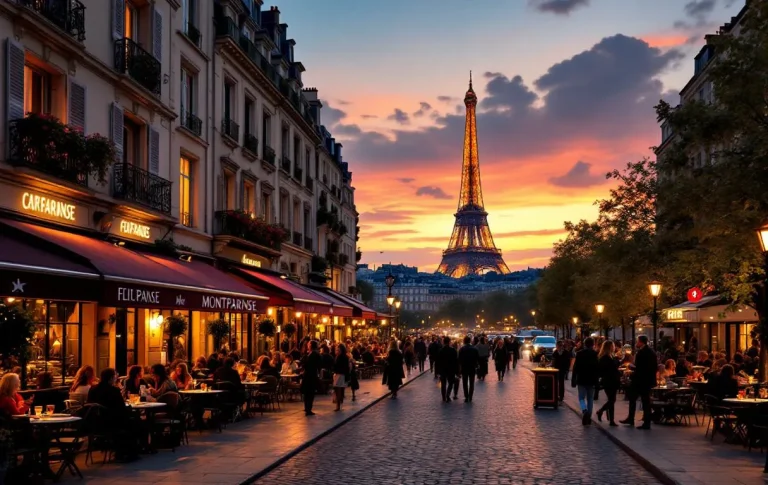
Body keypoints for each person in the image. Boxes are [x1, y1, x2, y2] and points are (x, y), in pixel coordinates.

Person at [87, 368, 139, 462]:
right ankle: (129, 452)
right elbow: (121, 408)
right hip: (112, 423)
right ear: (111, 378)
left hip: (95, 423)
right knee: (134, 423)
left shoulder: (93, 389)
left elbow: (89, 404)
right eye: (115, 377)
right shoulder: (113, 390)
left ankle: (118, 450)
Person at [621, 335, 657, 430]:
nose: (636, 343)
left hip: (640, 381)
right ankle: (640, 420)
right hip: (648, 380)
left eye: (637, 341)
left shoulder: (642, 352)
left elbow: (640, 368)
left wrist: (632, 368)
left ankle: (639, 421)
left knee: (636, 399)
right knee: (645, 401)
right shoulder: (651, 352)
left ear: (641, 342)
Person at [572, 337, 599, 425]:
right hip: (591, 380)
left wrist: (573, 379)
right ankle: (589, 415)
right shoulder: (596, 354)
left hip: (582, 379)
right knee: (590, 398)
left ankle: (584, 410)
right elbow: (597, 368)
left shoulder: (579, 354)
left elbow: (575, 368)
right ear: (593, 344)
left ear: (585, 344)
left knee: (581, 398)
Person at [595, 340, 620, 426]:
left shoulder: (608, 356)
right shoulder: (605, 357)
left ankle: (611, 420)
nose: (614, 347)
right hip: (609, 381)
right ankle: (600, 411)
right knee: (612, 400)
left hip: (611, 380)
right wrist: (618, 361)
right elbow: (610, 368)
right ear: (609, 347)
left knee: (611, 400)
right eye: (612, 346)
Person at [301, 340, 322, 416]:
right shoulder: (310, 353)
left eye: (309, 344)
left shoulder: (314, 354)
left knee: (310, 393)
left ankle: (308, 408)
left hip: (311, 375)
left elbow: (311, 364)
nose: (307, 345)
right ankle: (307, 407)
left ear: (311, 346)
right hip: (309, 375)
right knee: (308, 393)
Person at [436, 336, 459, 402]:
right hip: (451, 369)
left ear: (443, 342)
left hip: (443, 370)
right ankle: (448, 395)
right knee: (451, 383)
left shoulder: (440, 351)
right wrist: (457, 371)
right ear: (449, 342)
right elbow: (456, 362)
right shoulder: (453, 350)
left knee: (443, 384)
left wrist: (437, 371)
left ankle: (443, 398)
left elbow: (438, 362)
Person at [458, 336, 480, 402]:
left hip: (464, 367)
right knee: (471, 382)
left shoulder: (462, 349)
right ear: (470, 341)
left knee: (464, 383)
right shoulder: (474, 349)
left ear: (464, 341)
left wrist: (459, 369)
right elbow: (477, 359)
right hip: (472, 367)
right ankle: (470, 396)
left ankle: (466, 396)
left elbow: (459, 360)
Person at [332, 344, 351, 411]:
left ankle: (338, 405)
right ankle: (339, 404)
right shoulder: (343, 357)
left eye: (338, 349)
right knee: (339, 390)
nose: (337, 351)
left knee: (338, 390)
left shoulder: (341, 357)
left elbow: (339, 366)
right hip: (341, 374)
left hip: (340, 374)